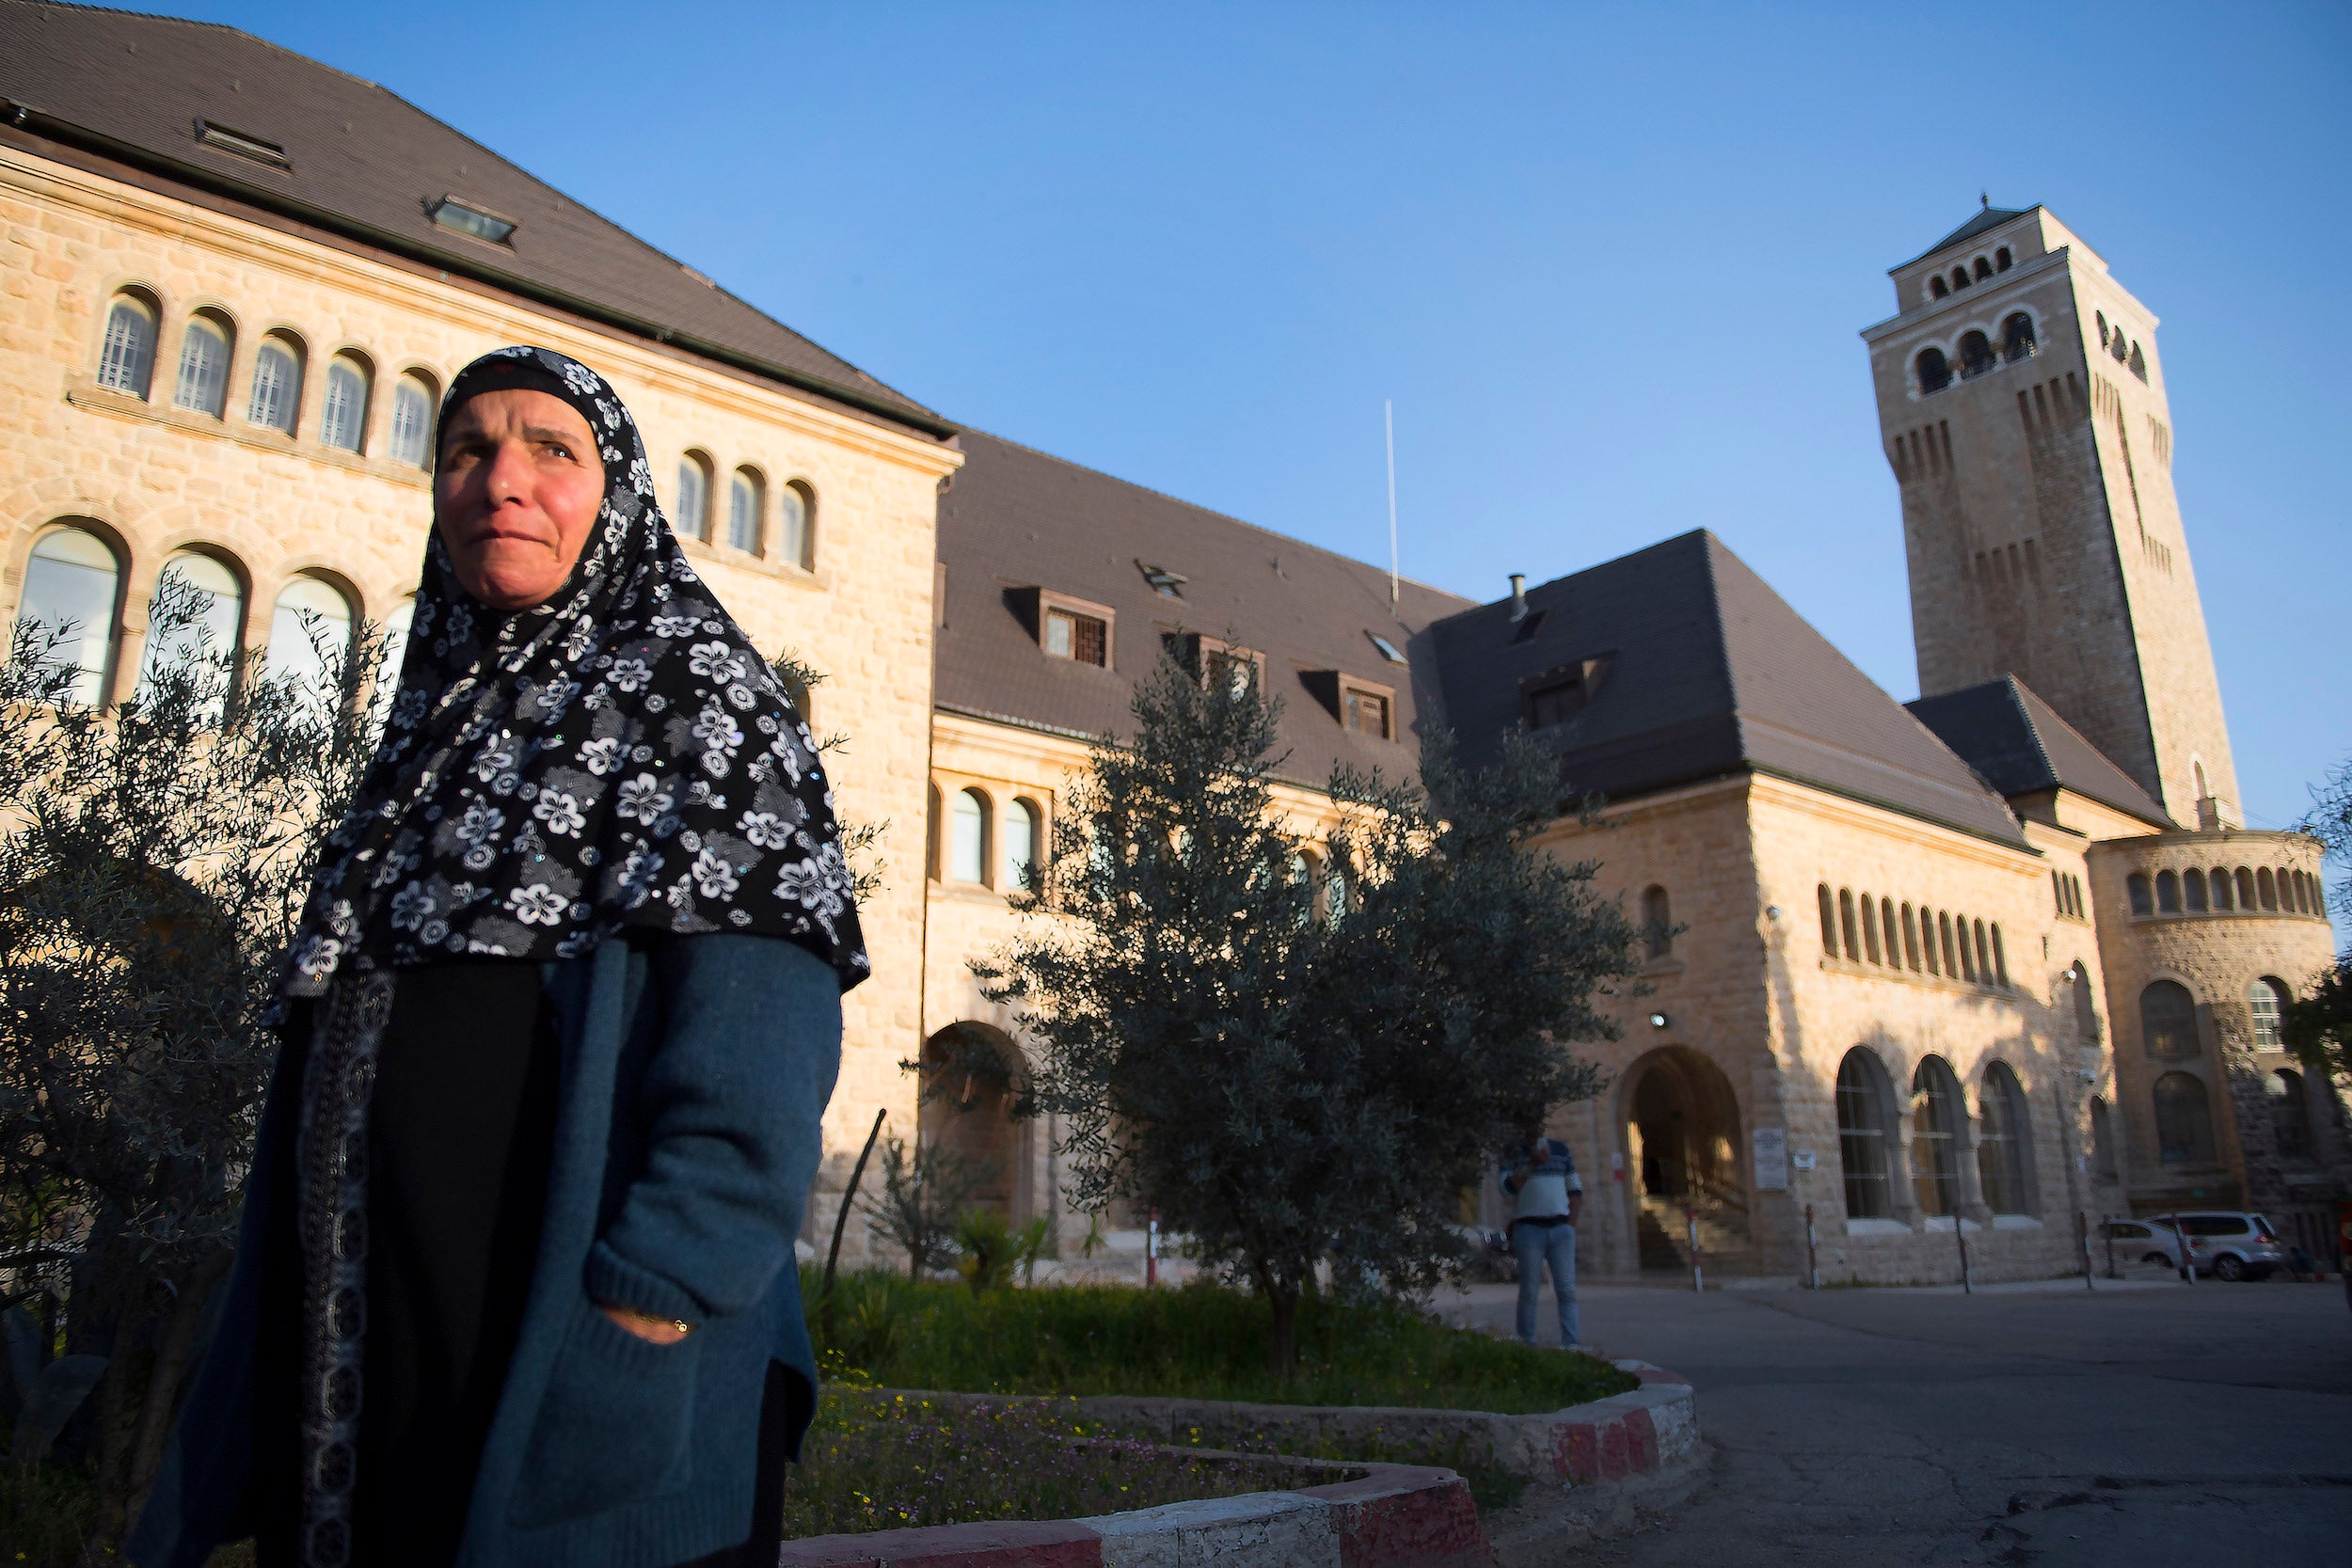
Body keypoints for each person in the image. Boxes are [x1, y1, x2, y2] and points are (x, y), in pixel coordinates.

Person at [131, 346, 864, 1568]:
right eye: (466, 450)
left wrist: (647, 1313)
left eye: (550, 450)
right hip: (390, 1354)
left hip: (580, 1355)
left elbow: (756, 1071)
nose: (499, 481)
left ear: (619, 493)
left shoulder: (704, 706)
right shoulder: (437, 733)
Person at [1501, 1120, 1583, 1351]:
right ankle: (1526, 1341)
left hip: (1560, 1229)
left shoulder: (1560, 1150)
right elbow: (1506, 1189)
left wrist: (1571, 1223)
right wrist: (1531, 1164)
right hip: (1529, 1229)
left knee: (1566, 1289)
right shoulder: (1512, 1153)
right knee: (1529, 1288)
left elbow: (1575, 1189)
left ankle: (1571, 1343)